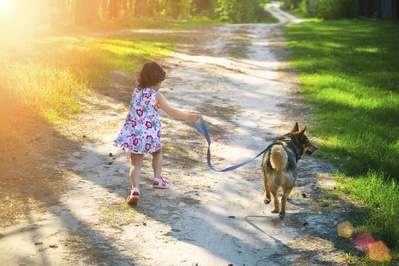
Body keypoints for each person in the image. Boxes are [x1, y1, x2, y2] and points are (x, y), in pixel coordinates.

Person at [114, 61, 199, 204]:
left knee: (136, 163)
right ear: (156, 81)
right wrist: (190, 117)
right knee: (157, 152)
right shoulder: (157, 95)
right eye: (160, 82)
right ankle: (157, 179)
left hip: (135, 134)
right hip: (151, 134)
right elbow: (171, 111)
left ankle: (135, 189)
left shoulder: (136, 92)